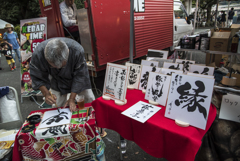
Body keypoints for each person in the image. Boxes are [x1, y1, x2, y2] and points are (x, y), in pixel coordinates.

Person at [29, 38, 94, 112]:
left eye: (62, 66)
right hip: (56, 78)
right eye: (53, 66)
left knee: (89, 98)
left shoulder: (77, 51)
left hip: (76, 77)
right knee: (57, 105)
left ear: (68, 53)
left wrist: (72, 98)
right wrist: (46, 93)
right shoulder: (38, 55)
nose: (58, 68)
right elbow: (37, 77)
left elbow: (80, 76)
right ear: (46, 59)